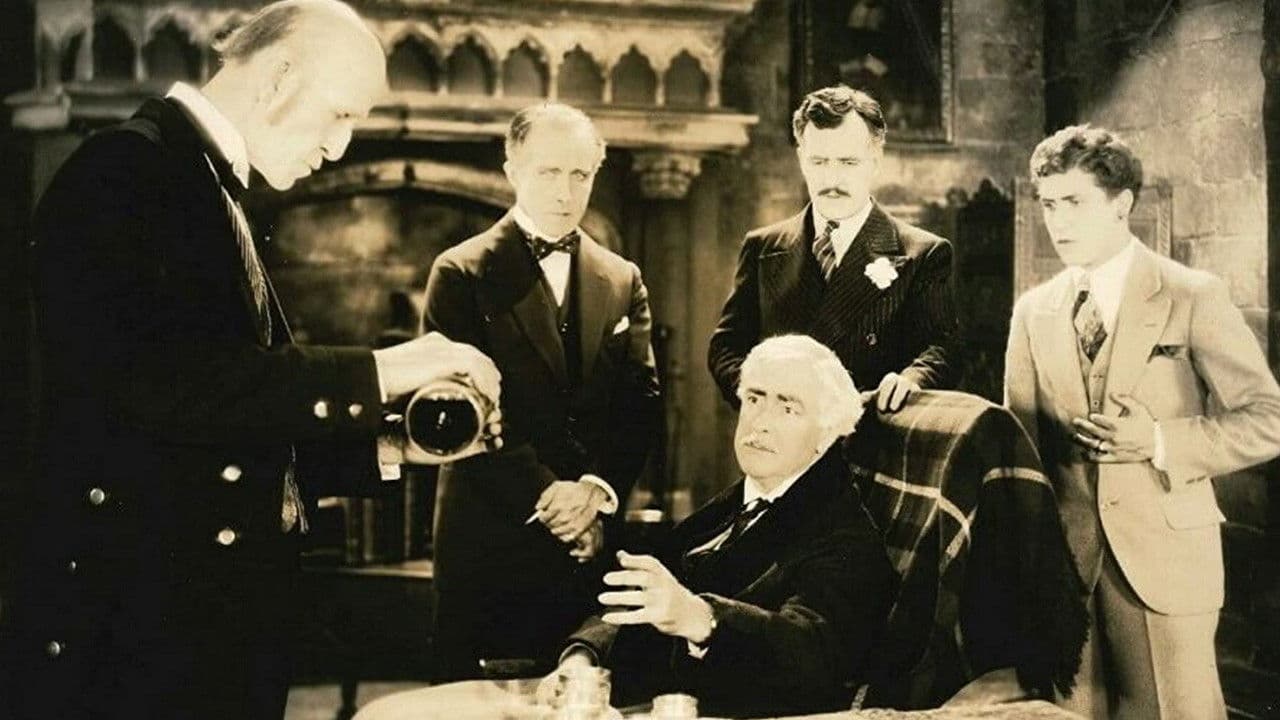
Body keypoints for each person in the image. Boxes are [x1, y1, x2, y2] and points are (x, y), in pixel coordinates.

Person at [0, 2, 502, 718]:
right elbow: (163, 384)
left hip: (194, 632)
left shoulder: (200, 182)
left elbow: (229, 425)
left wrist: (391, 444)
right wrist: (387, 369)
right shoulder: (125, 170)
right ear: (278, 76)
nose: (340, 146)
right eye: (339, 115)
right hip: (131, 644)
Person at [1004, 124, 1280, 720]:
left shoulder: (1191, 295)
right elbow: (1021, 450)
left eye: (1074, 202)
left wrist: (1157, 440)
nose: (1058, 222)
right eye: (1049, 205)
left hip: (1166, 560)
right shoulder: (1033, 312)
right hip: (1067, 571)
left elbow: (1269, 420)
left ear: (1121, 204)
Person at [421, 101, 662, 680]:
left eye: (580, 174)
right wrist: (552, 499)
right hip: (490, 538)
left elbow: (641, 403)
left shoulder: (621, 277)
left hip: (588, 541)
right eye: (548, 172)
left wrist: (596, 493)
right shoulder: (460, 272)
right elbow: (455, 412)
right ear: (512, 172)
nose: (565, 191)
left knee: (580, 695)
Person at [548, 335, 895, 718]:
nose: (760, 423)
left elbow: (810, 654)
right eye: (755, 399)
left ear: (827, 434)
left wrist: (703, 618)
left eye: (788, 408)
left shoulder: (846, 537)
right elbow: (644, 594)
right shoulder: (732, 505)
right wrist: (583, 658)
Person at [708, 85, 959, 414]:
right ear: (802, 160)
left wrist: (911, 381)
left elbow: (941, 349)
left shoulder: (921, 253)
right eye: (819, 162)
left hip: (870, 431)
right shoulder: (762, 248)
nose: (832, 179)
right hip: (780, 437)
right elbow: (726, 347)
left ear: (875, 161)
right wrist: (762, 400)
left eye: (848, 162)